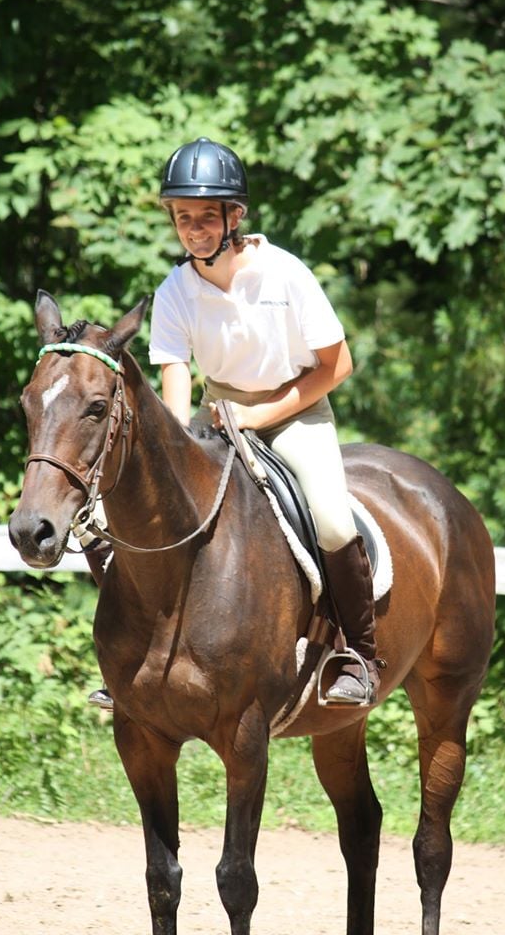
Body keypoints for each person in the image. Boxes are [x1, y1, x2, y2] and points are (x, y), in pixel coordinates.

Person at [147, 136, 380, 705]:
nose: (194, 230)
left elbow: (338, 365)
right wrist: (175, 446)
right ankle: (138, 654)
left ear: (235, 216)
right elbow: (176, 382)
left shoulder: (285, 274)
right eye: (183, 218)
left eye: (206, 216)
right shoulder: (174, 292)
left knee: (331, 521)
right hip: (219, 410)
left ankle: (360, 655)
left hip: (297, 408)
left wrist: (260, 415)